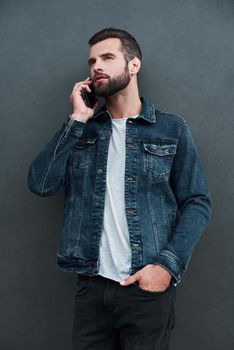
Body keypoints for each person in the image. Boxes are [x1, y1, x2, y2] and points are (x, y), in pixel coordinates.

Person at [27, 27, 212, 350]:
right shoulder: (82, 130)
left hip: (147, 290)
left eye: (107, 57)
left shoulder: (172, 129)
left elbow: (197, 202)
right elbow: (42, 184)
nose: (96, 66)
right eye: (92, 61)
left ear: (133, 65)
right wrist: (77, 119)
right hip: (92, 289)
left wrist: (167, 266)